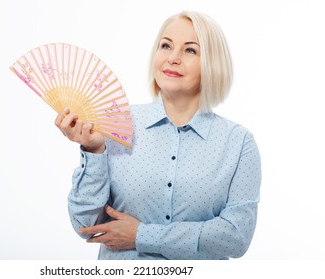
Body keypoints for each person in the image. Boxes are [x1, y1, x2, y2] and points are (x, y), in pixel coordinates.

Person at [55, 10, 261, 260]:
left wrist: (141, 235)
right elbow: (84, 225)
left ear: (212, 63)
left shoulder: (238, 143)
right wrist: (94, 151)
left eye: (190, 50)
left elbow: (235, 238)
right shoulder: (115, 124)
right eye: (166, 46)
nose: (173, 58)